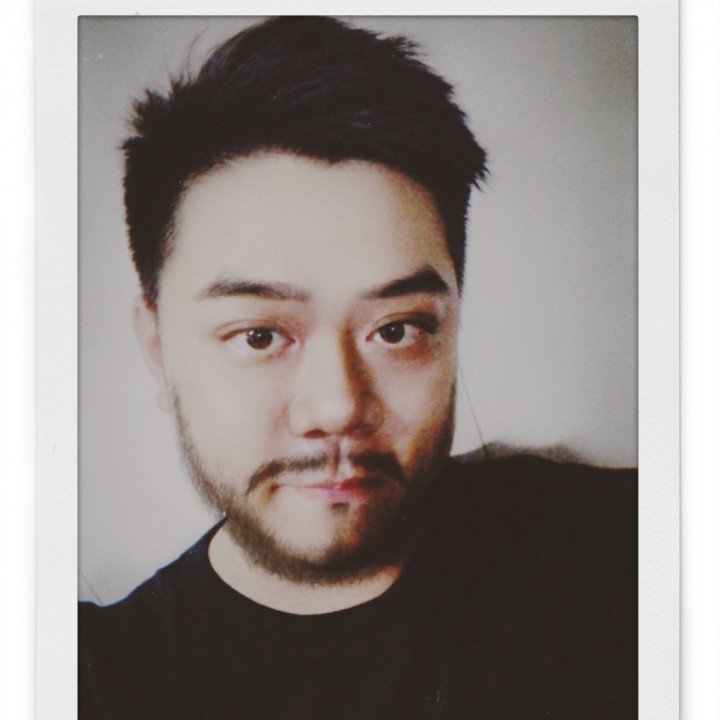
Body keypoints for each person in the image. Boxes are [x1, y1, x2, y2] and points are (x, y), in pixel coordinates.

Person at [79, 16, 637, 720]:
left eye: (395, 330)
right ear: (159, 350)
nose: (338, 406)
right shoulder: (80, 679)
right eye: (259, 336)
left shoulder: (629, 553)